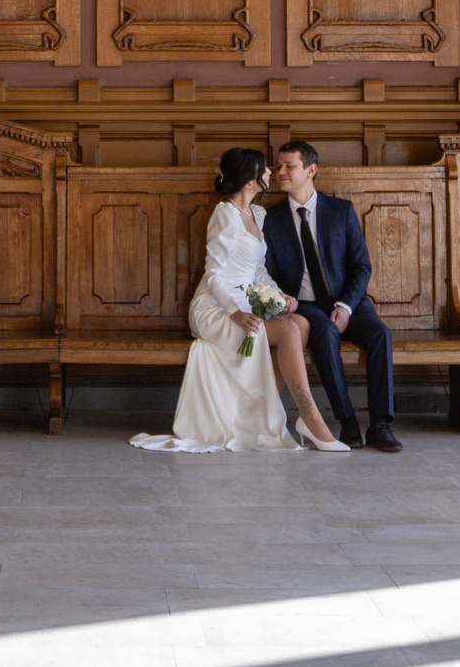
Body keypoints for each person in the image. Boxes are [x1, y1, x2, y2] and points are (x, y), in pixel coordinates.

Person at [131, 149, 346, 453]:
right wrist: (234, 314)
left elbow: (257, 270)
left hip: (247, 302)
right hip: (216, 307)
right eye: (264, 170)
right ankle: (310, 418)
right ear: (249, 182)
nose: (271, 173)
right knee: (287, 331)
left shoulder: (257, 214)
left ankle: (257, 410)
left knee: (301, 323)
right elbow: (215, 274)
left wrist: (278, 295)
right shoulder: (225, 215)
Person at [263, 141, 401, 452]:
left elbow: (362, 265)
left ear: (311, 170)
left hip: (348, 302)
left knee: (380, 334)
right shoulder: (271, 220)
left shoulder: (340, 211)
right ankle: (347, 422)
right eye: (278, 166)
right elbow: (267, 272)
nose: (279, 172)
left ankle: (381, 425)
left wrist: (346, 306)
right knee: (324, 333)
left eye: (289, 166)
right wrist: (280, 297)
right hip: (305, 306)